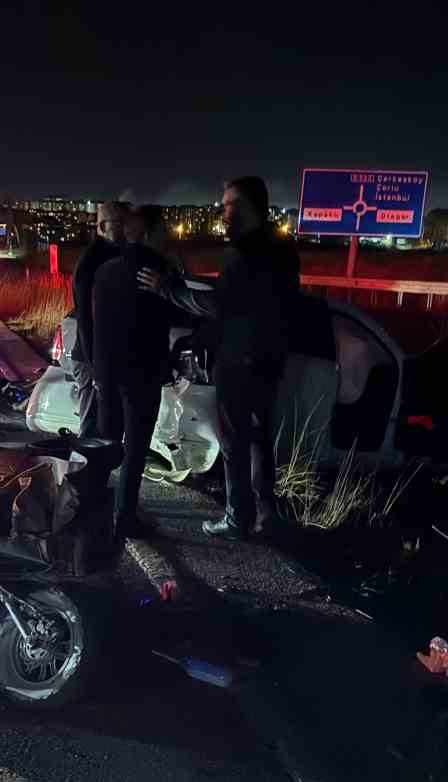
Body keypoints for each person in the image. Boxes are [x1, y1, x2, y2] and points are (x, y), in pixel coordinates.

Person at [139, 176, 299, 539]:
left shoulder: (243, 253)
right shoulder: (284, 249)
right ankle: (266, 513)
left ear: (247, 208)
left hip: (239, 361)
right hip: (270, 357)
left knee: (234, 442)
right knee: (259, 438)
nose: (223, 213)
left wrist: (166, 288)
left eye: (228, 206)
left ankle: (236, 517)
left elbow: (219, 305)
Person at [90, 205, 178, 539]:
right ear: (149, 233)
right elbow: (176, 315)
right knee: (136, 447)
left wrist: (99, 372)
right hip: (143, 371)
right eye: (164, 229)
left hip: (109, 371)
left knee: (107, 443)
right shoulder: (159, 270)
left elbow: (98, 325)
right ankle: (124, 515)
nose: (168, 235)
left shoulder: (106, 270)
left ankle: (92, 505)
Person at [72, 201, 129, 436]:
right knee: (90, 430)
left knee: (106, 428)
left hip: (102, 358)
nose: (126, 229)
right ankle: (81, 462)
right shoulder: (92, 260)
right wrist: (94, 364)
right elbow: (85, 316)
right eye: (121, 223)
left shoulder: (116, 255)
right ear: (104, 226)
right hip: (92, 359)